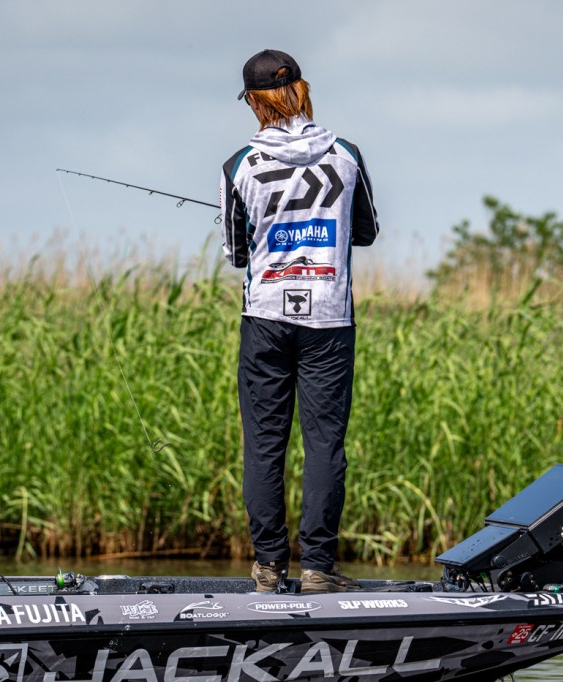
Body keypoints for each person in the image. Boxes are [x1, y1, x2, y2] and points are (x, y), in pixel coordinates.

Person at [220, 49, 379, 594]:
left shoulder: (239, 165)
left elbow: (237, 253)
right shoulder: (347, 155)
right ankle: (318, 569)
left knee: (265, 445)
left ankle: (269, 567)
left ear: (255, 102)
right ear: (302, 91)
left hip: (265, 317)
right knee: (324, 444)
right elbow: (366, 232)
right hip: (330, 318)